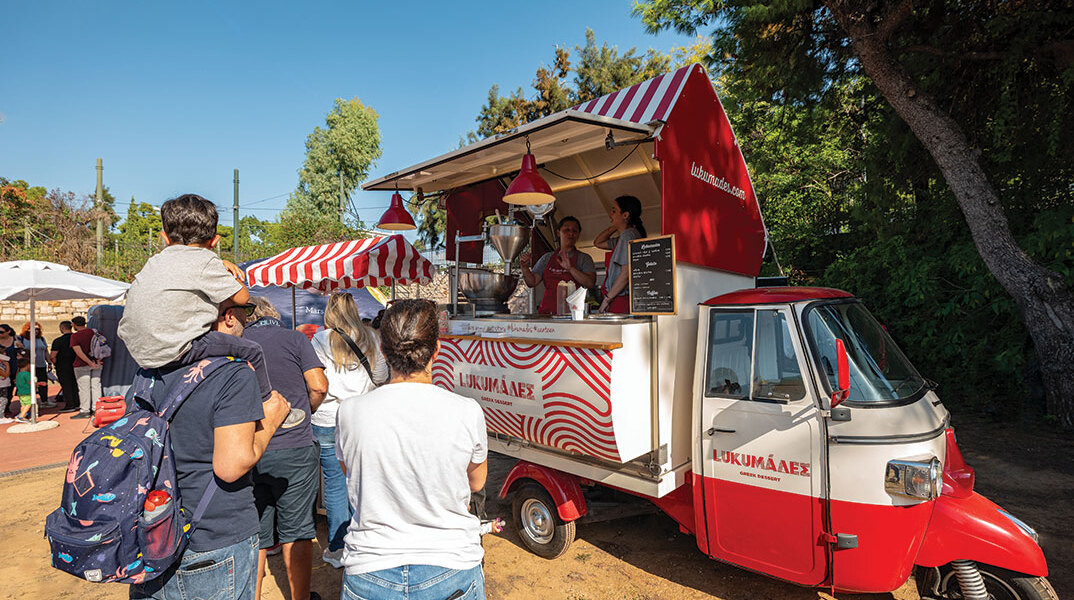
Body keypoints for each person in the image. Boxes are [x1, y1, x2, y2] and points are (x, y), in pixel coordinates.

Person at [129, 302, 292, 600]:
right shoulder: (232, 373)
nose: (247, 316)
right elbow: (231, 466)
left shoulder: (147, 372)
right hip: (211, 541)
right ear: (228, 316)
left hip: (151, 536)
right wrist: (271, 420)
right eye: (246, 308)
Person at [336, 299, 488, 600]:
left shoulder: (350, 412)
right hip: (451, 564)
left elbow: (350, 472)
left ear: (382, 348)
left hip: (370, 566)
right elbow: (477, 482)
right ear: (436, 349)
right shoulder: (466, 411)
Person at [117, 194, 278, 410]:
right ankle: (267, 402)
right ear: (215, 241)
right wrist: (225, 268)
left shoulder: (155, 261)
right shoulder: (206, 260)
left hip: (139, 349)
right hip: (178, 349)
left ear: (165, 238)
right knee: (253, 350)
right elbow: (242, 297)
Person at [241, 297, 327, 600]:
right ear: (275, 316)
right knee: (298, 530)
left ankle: (251, 594)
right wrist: (306, 410)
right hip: (295, 446)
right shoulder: (294, 338)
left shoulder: (237, 341)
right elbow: (318, 385)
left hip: (247, 447)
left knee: (257, 532)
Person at [309, 292, 387, 569]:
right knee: (363, 479)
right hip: (363, 417)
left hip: (328, 418)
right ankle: (363, 540)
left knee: (335, 484)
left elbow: (318, 382)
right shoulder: (371, 337)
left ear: (329, 311)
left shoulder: (320, 339)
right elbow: (381, 377)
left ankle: (339, 546)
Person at [520, 216, 597, 314]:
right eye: (566, 230)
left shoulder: (584, 258)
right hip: (547, 314)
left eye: (575, 231)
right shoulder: (547, 257)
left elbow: (590, 283)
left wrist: (570, 268)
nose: (571, 233)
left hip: (573, 314)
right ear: (558, 233)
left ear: (578, 235)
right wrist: (525, 268)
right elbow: (532, 282)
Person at [593, 195, 647, 314]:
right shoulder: (625, 236)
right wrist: (617, 225)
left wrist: (607, 299)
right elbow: (598, 242)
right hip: (619, 297)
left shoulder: (627, 236)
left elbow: (626, 272)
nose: (610, 214)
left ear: (625, 215)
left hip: (620, 298)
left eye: (614, 211)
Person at [70, 316, 102, 419]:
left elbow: (79, 352)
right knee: (96, 386)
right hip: (97, 362)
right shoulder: (95, 332)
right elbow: (102, 346)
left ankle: (85, 410)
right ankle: (97, 409)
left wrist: (89, 362)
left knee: (84, 388)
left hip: (82, 365)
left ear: (74, 325)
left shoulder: (75, 336)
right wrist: (97, 361)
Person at [18, 322, 52, 407]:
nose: (36, 331)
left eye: (38, 329)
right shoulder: (22, 339)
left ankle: (44, 401)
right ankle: (28, 402)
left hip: (41, 364)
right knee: (29, 383)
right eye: (34, 329)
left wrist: (49, 362)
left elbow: (45, 351)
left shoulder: (41, 339)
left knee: (43, 383)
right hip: (28, 366)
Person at [50, 320, 80, 413]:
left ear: (62, 328)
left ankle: (70, 404)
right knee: (75, 384)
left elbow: (53, 355)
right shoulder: (76, 338)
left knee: (66, 385)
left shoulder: (58, 341)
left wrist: (55, 363)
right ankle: (77, 403)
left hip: (63, 365)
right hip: (75, 364)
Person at [0, 324, 21, 415]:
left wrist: (21, 348)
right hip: (1, 368)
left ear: (8, 331)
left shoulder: (16, 340)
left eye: (1, 332)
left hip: (13, 367)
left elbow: (21, 353)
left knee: (10, 389)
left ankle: (6, 407)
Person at [13, 356, 32, 423]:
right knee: (29, 404)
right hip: (27, 392)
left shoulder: (19, 374)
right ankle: (21, 416)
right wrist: (38, 383)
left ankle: (22, 415)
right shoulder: (27, 374)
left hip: (20, 392)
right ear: (27, 365)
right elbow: (30, 383)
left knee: (23, 405)